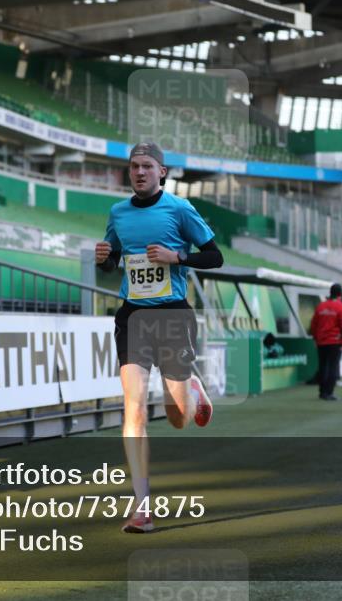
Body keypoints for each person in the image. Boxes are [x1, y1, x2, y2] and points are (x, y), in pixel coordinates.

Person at [95, 142, 224, 534]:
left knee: (178, 416)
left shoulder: (180, 210)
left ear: (162, 172)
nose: (139, 172)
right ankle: (141, 507)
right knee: (132, 408)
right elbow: (113, 262)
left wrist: (177, 258)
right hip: (132, 315)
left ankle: (192, 391)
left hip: (172, 315)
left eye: (147, 166)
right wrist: (105, 258)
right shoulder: (117, 213)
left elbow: (215, 256)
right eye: (134, 166)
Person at [309, 283, 342, 401]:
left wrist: (315, 338)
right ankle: (329, 392)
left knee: (323, 366)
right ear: (340, 294)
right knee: (333, 367)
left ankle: (322, 392)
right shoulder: (341, 307)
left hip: (321, 342)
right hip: (335, 342)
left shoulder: (321, 306)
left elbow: (314, 324)